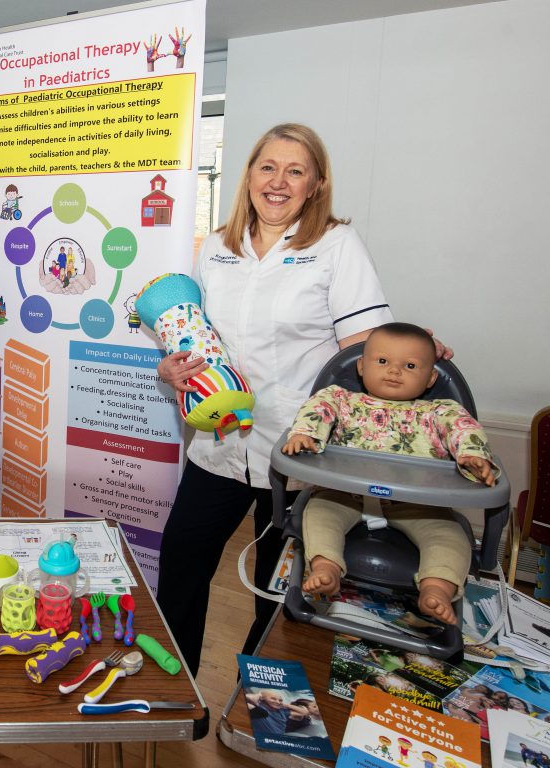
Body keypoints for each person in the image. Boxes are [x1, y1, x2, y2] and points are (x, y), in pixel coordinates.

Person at [154, 123, 452, 677]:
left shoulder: (336, 245)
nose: (279, 181)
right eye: (268, 167)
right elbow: (195, 334)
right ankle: (175, 686)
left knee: (280, 583)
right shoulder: (218, 246)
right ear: (248, 175)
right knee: (181, 564)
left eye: (296, 171)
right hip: (219, 444)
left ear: (316, 185)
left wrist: (413, 347)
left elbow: (366, 346)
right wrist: (171, 367)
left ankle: (258, 697)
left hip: (298, 451)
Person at [283, 322, 498, 624]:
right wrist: (305, 434)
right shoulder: (342, 399)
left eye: (410, 365)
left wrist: (472, 455)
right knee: (319, 514)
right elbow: (317, 409)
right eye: (383, 361)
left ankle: (435, 589)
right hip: (344, 495)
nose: (394, 371)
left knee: (449, 537)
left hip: (418, 506)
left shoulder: (439, 412)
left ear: (431, 378)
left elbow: (463, 429)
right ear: (362, 366)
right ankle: (326, 568)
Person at [244, 689, 309, 734]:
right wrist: (259, 695)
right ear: (262, 698)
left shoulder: (283, 711)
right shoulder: (259, 705)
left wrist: (285, 704)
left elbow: (304, 712)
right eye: (273, 699)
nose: (278, 702)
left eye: (280, 700)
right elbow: (248, 698)